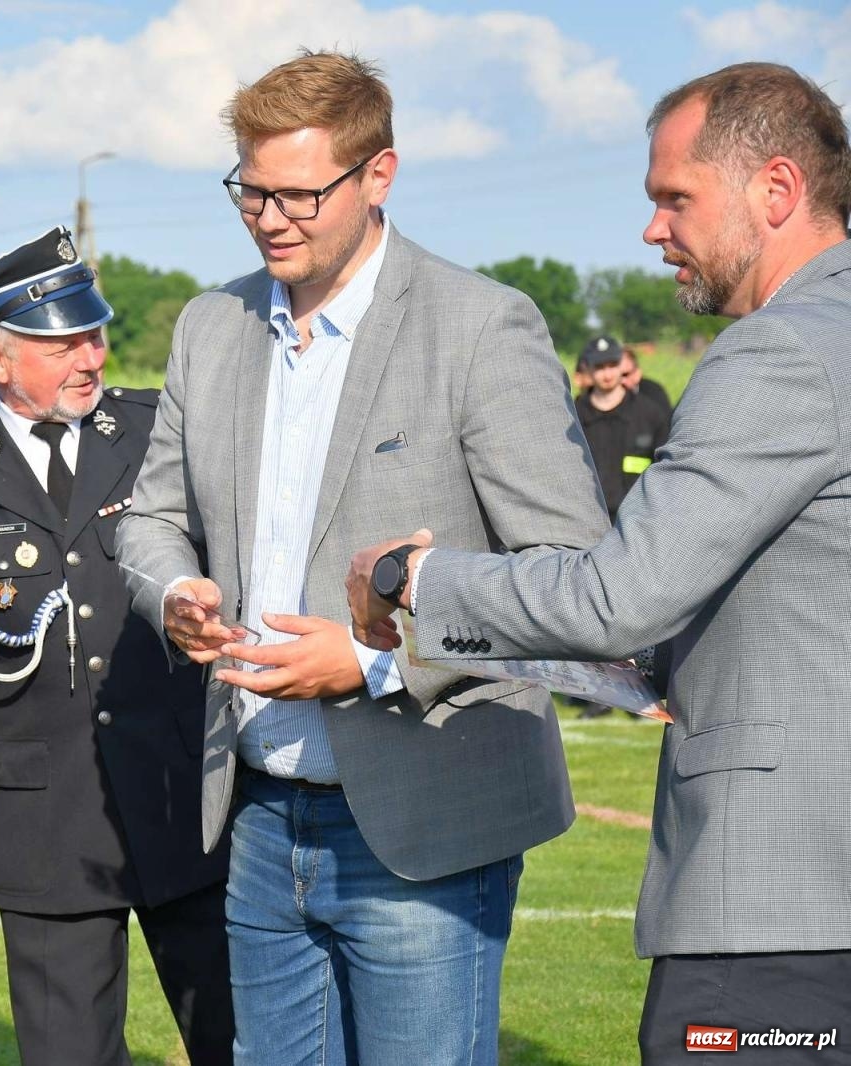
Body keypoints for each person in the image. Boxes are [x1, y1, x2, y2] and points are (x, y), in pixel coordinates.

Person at [347, 62, 851, 1066]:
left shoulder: (778, 353)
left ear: (777, 191)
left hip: (775, 908)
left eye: (674, 198)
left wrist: (415, 581)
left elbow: (621, 597)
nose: (651, 229)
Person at [115, 52, 608, 1064]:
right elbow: (149, 517)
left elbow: (569, 573)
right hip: (255, 816)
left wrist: (376, 659)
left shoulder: (479, 325)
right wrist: (172, 590)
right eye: (248, 191)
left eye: (298, 194)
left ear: (377, 174)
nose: (267, 217)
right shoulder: (209, 326)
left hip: (427, 821)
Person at [0, 226, 234, 1066]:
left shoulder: (160, 433)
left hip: (190, 806)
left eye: (94, 333)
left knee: (249, 1046)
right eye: (63, 341)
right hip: (48, 826)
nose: (90, 356)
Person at [575, 335, 671, 521]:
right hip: (587, 520)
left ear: (621, 365)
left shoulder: (649, 414)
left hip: (638, 519)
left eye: (612, 365)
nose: (607, 374)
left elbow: (666, 469)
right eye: (600, 367)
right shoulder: (575, 417)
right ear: (588, 369)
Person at [619, 345, 674, 416]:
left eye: (625, 375)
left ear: (637, 373)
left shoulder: (654, 394)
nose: (621, 381)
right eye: (616, 376)